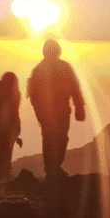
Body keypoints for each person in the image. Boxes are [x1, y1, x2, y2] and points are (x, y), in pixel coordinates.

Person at [27, 39, 85, 178]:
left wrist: (39, 112)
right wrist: (79, 107)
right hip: (60, 110)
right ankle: (53, 167)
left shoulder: (38, 69)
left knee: (49, 137)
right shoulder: (64, 67)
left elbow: (32, 94)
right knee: (60, 137)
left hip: (49, 111)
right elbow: (75, 88)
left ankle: (52, 168)